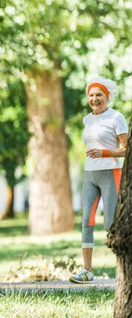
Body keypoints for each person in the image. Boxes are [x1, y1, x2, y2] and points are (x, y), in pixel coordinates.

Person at [69, 76, 128, 284]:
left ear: (107, 96)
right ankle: (87, 271)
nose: (94, 98)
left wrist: (104, 153)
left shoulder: (116, 117)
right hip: (90, 174)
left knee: (111, 224)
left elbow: (127, 148)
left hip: (111, 172)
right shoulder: (87, 119)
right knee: (86, 221)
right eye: (91, 95)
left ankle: (123, 271)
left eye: (99, 95)